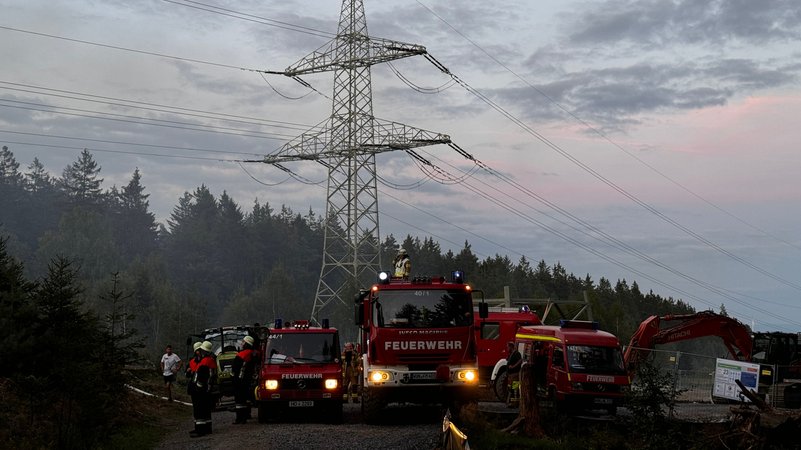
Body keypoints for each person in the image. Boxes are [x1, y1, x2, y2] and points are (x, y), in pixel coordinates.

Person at [189, 340, 217, 437]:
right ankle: (207, 428)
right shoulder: (211, 360)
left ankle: (200, 430)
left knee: (199, 409)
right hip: (206, 389)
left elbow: (201, 377)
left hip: (200, 391)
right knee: (205, 409)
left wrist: (198, 388)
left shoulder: (205, 361)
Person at [231, 335, 256, 424]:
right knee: (246, 399)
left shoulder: (242, 354)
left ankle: (240, 419)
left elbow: (235, 368)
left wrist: (233, 378)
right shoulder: (253, 353)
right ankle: (246, 415)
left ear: (246, 343)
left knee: (239, 401)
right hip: (248, 380)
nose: (242, 343)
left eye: (243, 342)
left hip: (240, 380)